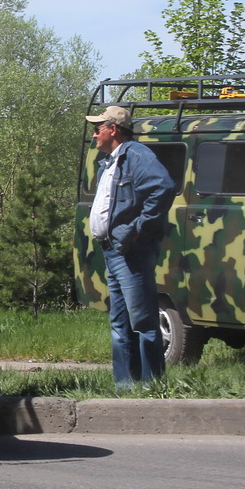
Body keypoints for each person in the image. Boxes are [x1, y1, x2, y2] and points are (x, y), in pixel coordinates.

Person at [86, 105, 175, 386]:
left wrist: (137, 229)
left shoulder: (137, 156)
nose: (94, 134)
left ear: (113, 129)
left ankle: (151, 385)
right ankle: (125, 387)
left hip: (131, 252)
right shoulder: (110, 162)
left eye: (98, 128)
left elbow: (163, 188)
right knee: (120, 323)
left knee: (143, 322)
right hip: (113, 251)